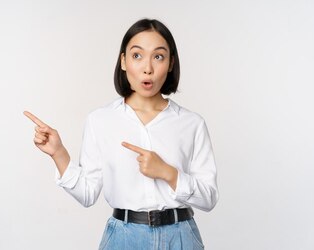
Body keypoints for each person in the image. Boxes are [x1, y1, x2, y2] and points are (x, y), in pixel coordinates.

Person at [24, 18, 218, 250]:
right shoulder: (101, 120)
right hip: (124, 238)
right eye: (137, 55)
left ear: (170, 63)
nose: (148, 68)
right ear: (124, 61)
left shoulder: (191, 123)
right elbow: (87, 194)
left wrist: (168, 173)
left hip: (181, 238)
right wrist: (59, 154)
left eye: (158, 56)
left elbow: (209, 199)